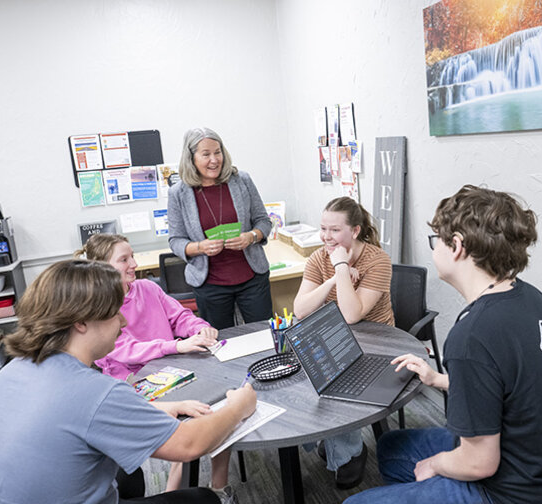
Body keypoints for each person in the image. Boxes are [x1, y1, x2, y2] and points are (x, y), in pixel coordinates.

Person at [344, 185, 542, 504]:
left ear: (456, 246)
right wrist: (440, 379)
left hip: (511, 493)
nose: (433, 248)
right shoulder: (536, 301)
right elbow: (514, 383)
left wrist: (435, 464)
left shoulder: (472, 335)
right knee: (391, 449)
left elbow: (479, 462)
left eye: (435, 239)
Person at [0, 260, 256, 504]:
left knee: (128, 477)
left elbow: (66, 421)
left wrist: (152, 411)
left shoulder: (12, 371)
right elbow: (190, 445)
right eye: (113, 312)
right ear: (81, 321)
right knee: (202, 499)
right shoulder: (95, 392)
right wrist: (237, 407)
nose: (122, 321)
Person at [75, 233, 232, 494]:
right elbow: (124, 350)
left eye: (133, 256)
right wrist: (176, 346)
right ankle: (177, 493)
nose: (134, 264)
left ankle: (219, 488)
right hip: (133, 382)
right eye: (124, 259)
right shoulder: (97, 306)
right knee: (193, 423)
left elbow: (180, 315)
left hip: (173, 370)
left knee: (220, 404)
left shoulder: (148, 288)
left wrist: (200, 328)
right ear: (102, 268)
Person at [293, 196, 394, 489]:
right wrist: (333, 280)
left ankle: (349, 451)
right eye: (323, 229)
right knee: (302, 377)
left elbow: (352, 315)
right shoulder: (318, 258)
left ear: (356, 231)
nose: (326, 237)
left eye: (335, 230)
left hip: (377, 342)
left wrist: (339, 267)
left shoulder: (377, 260)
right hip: (335, 339)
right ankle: (338, 441)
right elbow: (301, 309)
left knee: (335, 380)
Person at [167, 127, 273, 330]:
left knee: (264, 336)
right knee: (220, 343)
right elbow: (175, 241)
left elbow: (263, 221)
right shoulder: (178, 193)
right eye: (206, 154)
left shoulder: (242, 180)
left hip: (252, 278)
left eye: (218, 152)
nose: (214, 160)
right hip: (210, 285)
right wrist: (200, 247)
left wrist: (251, 237)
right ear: (191, 158)